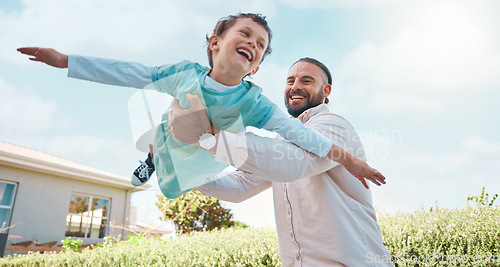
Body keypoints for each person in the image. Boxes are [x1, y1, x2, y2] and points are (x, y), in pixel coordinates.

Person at [17, 13, 384, 200]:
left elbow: (298, 134)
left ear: (255, 67)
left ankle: (165, 167)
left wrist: (349, 159)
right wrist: (67, 61)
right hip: (171, 136)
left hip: (206, 157)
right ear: (215, 42)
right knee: (160, 131)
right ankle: (150, 160)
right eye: (245, 35)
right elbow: (130, 72)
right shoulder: (183, 74)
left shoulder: (254, 101)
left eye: (260, 45)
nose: (253, 44)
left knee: (177, 182)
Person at [168, 58, 393, 266]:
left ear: (326, 91)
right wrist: (182, 170)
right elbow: (240, 186)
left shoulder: (333, 125)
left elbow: (293, 163)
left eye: (307, 80)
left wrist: (209, 137)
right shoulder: (282, 141)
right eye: (290, 81)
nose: (295, 87)